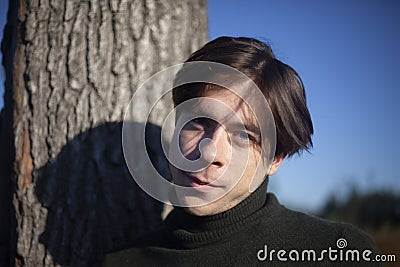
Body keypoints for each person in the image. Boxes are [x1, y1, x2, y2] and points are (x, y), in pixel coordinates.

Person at [103, 36, 380, 266]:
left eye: (243, 136)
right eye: (199, 121)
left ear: (275, 159)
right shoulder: (122, 262)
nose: (209, 152)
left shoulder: (335, 253)